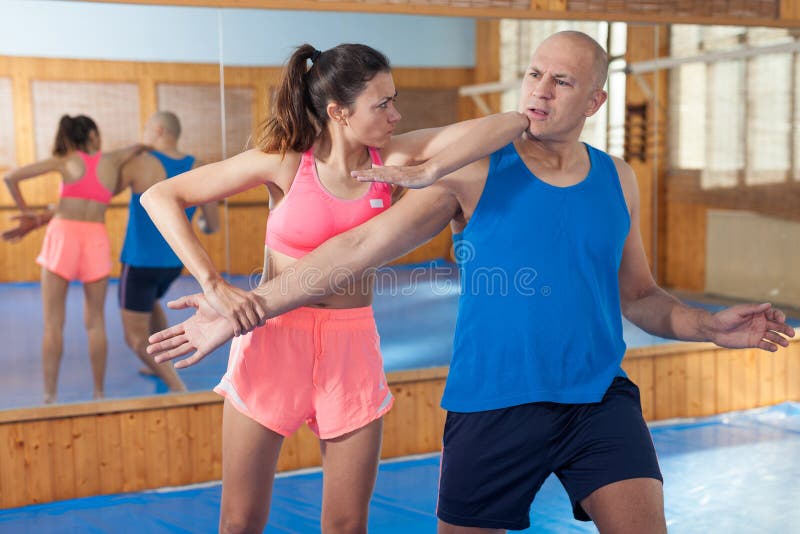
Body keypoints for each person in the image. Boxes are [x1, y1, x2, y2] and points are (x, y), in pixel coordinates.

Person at [148, 31, 796, 533]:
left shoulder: (618, 178)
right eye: (533, 74)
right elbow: (357, 247)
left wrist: (707, 326)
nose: (540, 89)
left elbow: (640, 297)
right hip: (494, 404)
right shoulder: (472, 172)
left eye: (561, 81)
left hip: (598, 398)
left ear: (596, 100)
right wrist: (242, 307)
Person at [140, 43, 529, 534]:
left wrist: (430, 170)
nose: (396, 114)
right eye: (382, 104)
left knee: (347, 524)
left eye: (394, 100)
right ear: (338, 112)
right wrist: (213, 284)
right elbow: (160, 196)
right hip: (272, 339)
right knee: (240, 520)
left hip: (350, 346)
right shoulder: (284, 161)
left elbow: (511, 123)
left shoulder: (393, 158)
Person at [3, 115, 147, 403]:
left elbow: (11, 177)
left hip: (63, 235)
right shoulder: (113, 159)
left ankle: (49, 396)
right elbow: (141, 147)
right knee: (96, 322)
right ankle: (99, 393)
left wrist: (27, 211)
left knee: (53, 324)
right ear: (92, 134)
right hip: (95, 237)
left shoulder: (65, 161)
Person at [117, 111, 219, 393]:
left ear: (159, 130)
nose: (144, 135)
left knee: (135, 338)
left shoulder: (141, 163)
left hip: (139, 264)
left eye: (146, 129)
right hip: (174, 264)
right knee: (149, 303)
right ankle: (158, 361)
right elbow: (211, 225)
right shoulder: (198, 166)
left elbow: (103, 190)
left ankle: (177, 389)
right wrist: (197, 219)